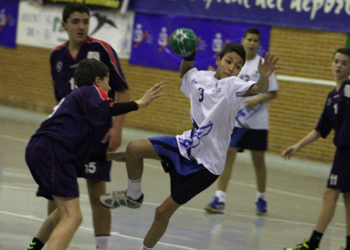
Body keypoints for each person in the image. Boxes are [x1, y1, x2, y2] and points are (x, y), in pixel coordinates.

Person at [99, 42, 281, 250]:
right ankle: (133, 195)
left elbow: (259, 88)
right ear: (218, 60)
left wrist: (264, 76)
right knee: (134, 148)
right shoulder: (201, 77)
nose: (232, 68)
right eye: (229, 61)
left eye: (238, 66)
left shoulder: (233, 87)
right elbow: (186, 73)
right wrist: (188, 56)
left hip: (207, 165)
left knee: (162, 212)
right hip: (187, 145)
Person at [25, 58, 164, 250]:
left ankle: (33, 247)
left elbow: (84, 153)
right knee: (73, 217)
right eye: (108, 83)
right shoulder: (90, 91)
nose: (109, 90)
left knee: (61, 212)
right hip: (52, 149)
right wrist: (139, 103)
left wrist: (112, 157)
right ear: (98, 81)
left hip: (40, 149)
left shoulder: (76, 107)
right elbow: (108, 108)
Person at [49, 3, 129, 249]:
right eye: (76, 21)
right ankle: (54, 241)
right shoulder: (57, 56)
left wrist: (116, 128)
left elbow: (122, 90)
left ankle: (101, 247)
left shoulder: (101, 49)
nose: (81, 26)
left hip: (96, 135)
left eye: (85, 21)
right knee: (57, 195)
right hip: (67, 138)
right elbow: (59, 99)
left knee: (98, 196)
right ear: (64, 26)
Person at [204, 27, 279, 215]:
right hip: (235, 121)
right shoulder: (236, 65)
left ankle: (261, 198)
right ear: (244, 41)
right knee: (228, 154)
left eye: (255, 40)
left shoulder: (262, 65)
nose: (252, 43)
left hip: (257, 122)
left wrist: (257, 98)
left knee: (258, 160)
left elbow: (273, 92)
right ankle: (219, 198)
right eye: (249, 39)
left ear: (259, 44)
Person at [281, 48, 350, 250]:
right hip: (343, 151)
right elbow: (321, 129)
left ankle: (312, 244)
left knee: (330, 193)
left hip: (347, 150)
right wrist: (298, 145)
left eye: (344, 63)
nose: (339, 65)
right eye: (336, 61)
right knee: (347, 196)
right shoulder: (332, 96)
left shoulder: (348, 89)